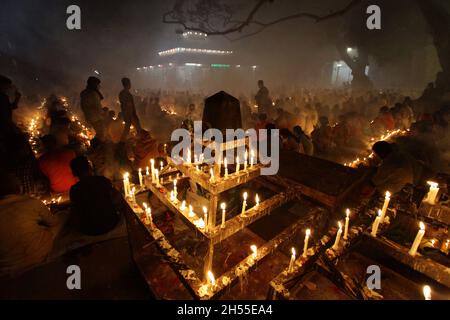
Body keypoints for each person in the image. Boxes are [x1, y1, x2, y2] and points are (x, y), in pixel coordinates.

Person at [0, 172, 64, 277]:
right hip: (39, 254)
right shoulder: (31, 202)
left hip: (9, 266)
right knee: (61, 217)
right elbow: (54, 222)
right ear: (19, 188)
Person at [69, 156, 121, 236]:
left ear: (73, 173)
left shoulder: (74, 190)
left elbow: (76, 211)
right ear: (90, 167)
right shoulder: (102, 180)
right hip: (110, 223)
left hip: (88, 230)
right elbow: (117, 198)